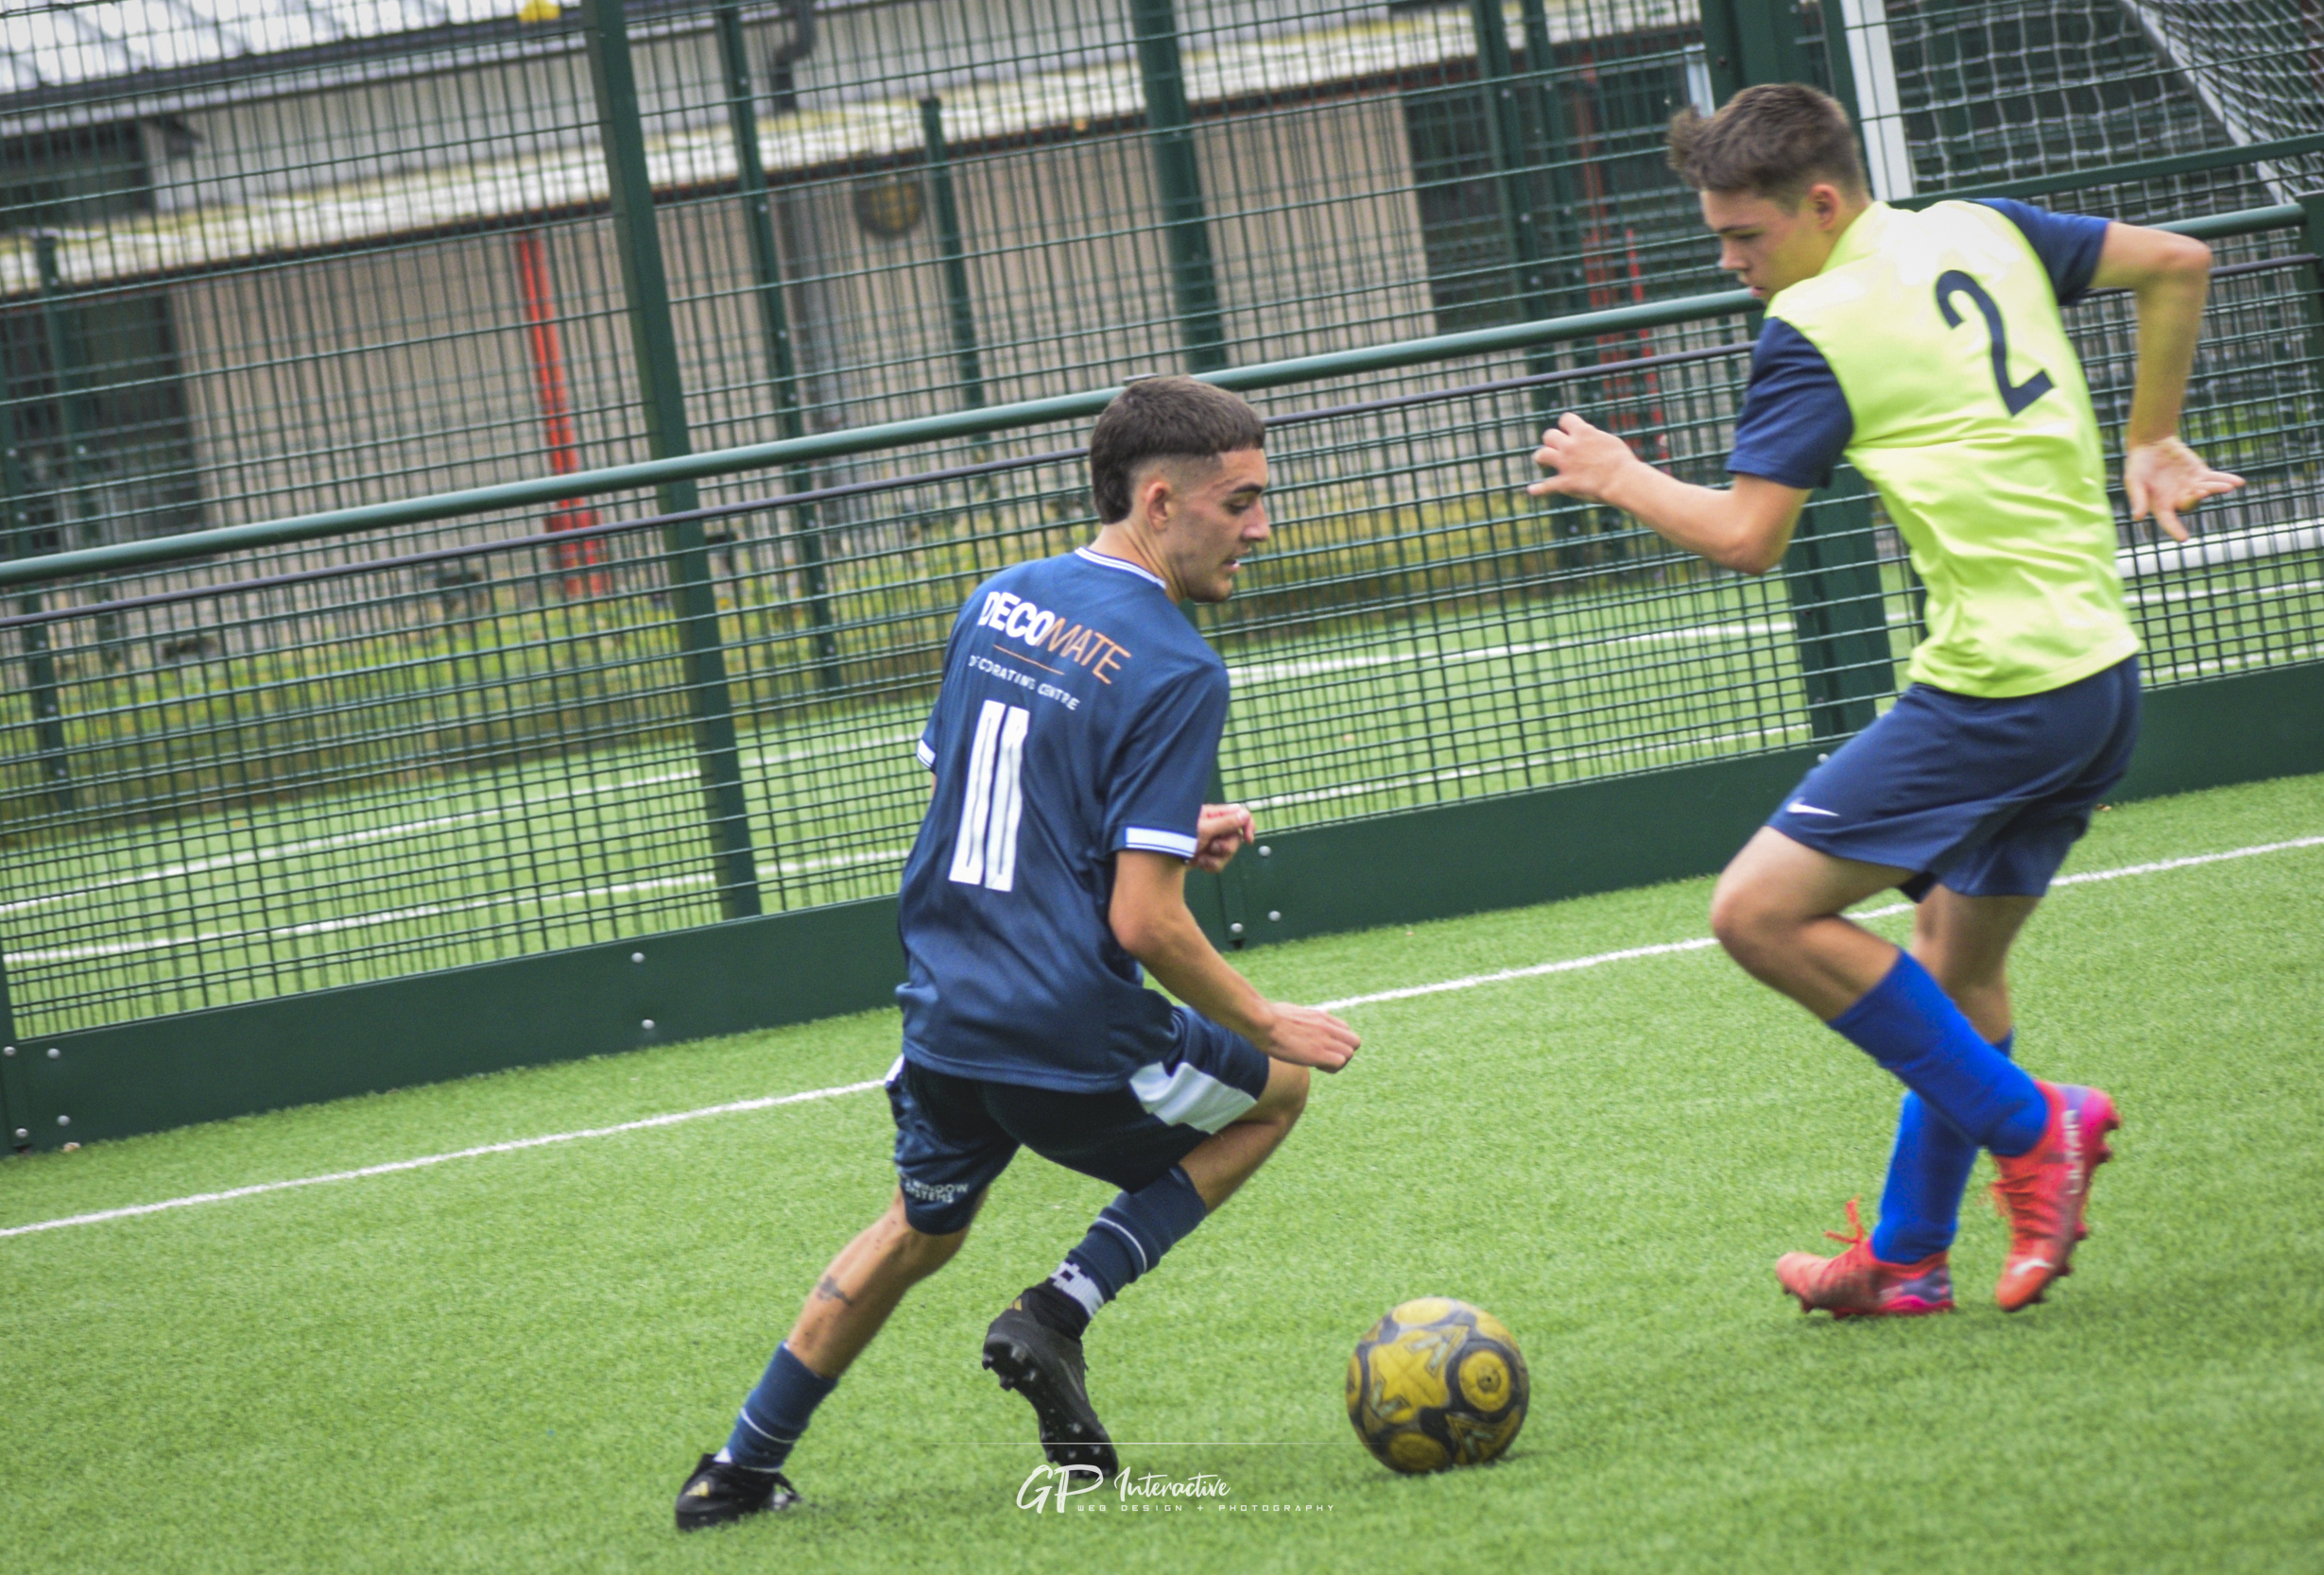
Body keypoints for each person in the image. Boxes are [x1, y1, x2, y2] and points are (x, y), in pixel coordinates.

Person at [1527, 83, 2241, 1317]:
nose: (1732, 262)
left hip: (2000, 690)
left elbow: (1748, 535)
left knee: (1757, 911)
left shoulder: (1816, 320)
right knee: (1957, 971)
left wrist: (1620, 472)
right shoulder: (1983, 227)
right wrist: (2153, 436)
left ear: (1821, 202)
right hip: (2097, 679)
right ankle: (1907, 1255)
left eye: (1744, 236)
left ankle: (2037, 1128)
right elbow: (2178, 260)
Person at [674, 376, 1361, 1529]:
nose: (1260, 527)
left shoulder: (999, 598)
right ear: (1158, 501)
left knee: (919, 1228)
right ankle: (1059, 1308)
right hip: (1063, 1020)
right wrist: (1265, 1019)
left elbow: (985, 792)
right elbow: (1145, 924)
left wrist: (1161, 831)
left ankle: (735, 1470)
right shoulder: (1179, 664)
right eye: (1240, 501)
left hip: (946, 1006)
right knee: (1277, 1091)